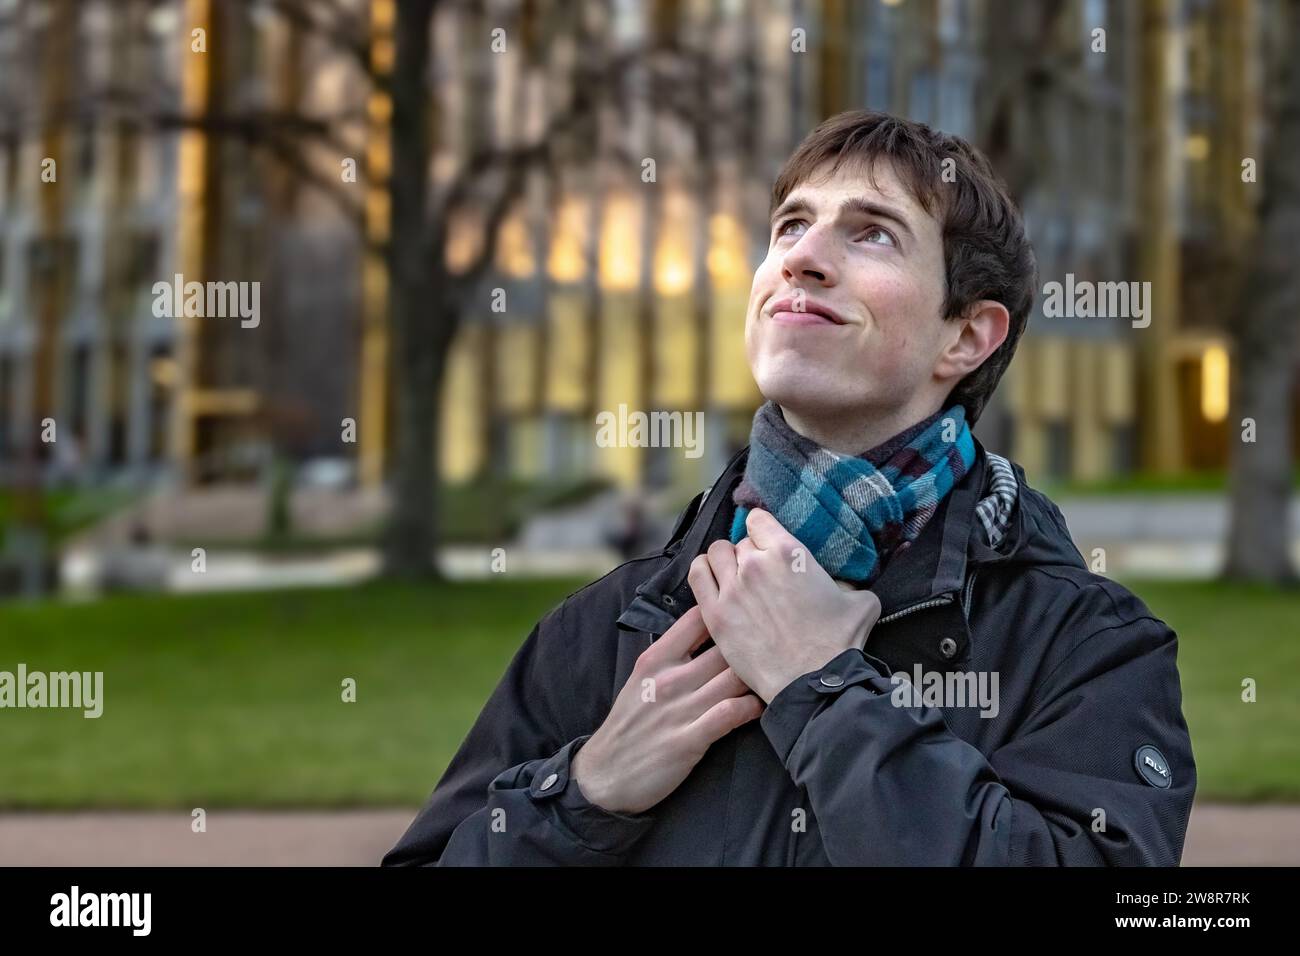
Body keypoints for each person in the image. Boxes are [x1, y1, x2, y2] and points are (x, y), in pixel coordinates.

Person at [383, 110, 1196, 866]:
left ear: (967, 335)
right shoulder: (605, 630)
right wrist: (586, 793)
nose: (802, 257)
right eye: (790, 227)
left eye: (873, 235)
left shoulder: (1089, 646)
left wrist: (829, 700)